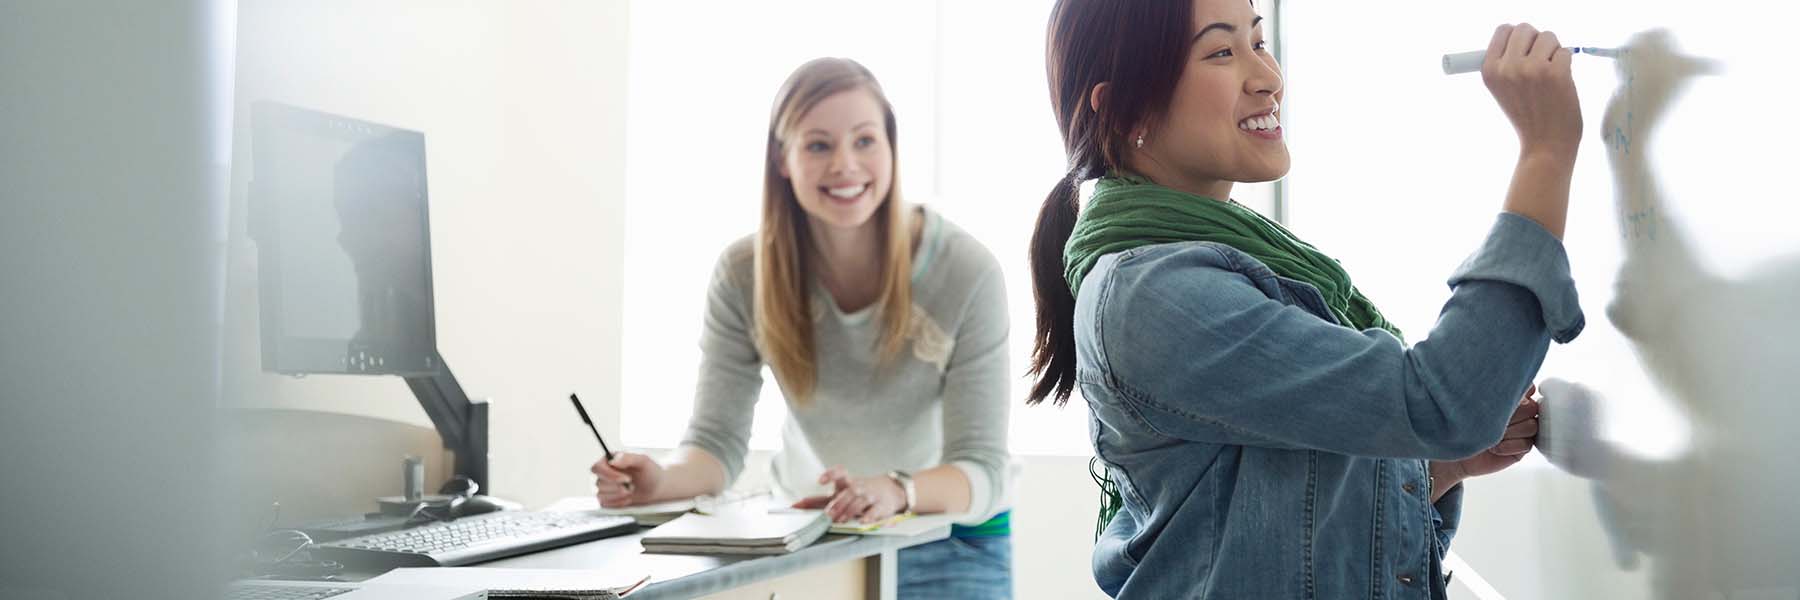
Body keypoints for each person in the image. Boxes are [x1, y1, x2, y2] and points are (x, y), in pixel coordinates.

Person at [1025, 1, 1586, 598]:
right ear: (1122, 108)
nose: (1268, 77)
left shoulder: (1236, 259)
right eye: (1221, 51)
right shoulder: (1153, 295)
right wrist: (1545, 154)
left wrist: (1442, 468)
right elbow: (1438, 404)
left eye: (1258, 42)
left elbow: (1274, 515)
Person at [593, 57, 1015, 598]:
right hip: (818, 531)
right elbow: (715, 446)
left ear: (890, 148)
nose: (845, 164)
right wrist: (660, 480)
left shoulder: (967, 270)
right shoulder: (744, 275)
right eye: (818, 145)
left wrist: (895, 490)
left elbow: (981, 467)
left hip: (953, 535)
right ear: (783, 159)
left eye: (865, 141)